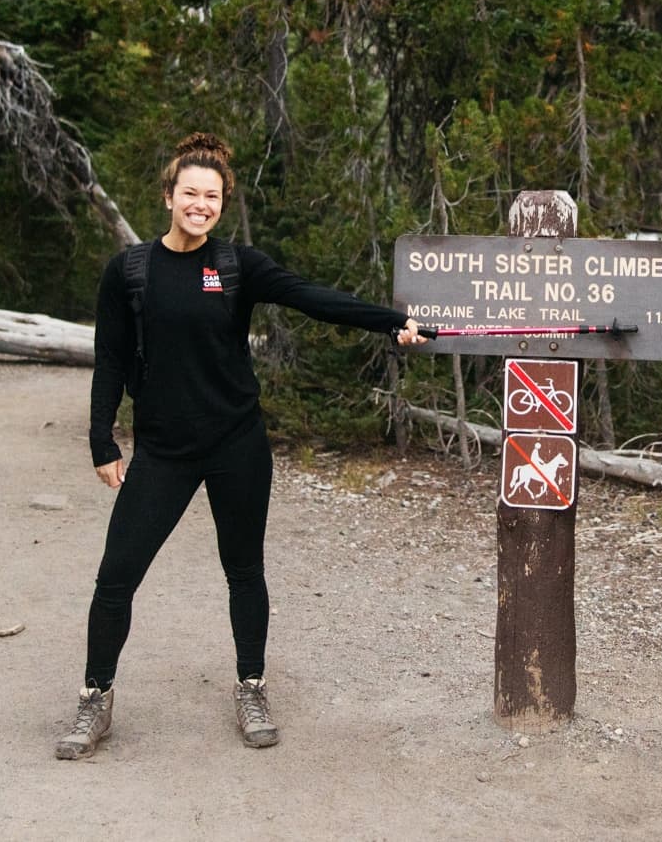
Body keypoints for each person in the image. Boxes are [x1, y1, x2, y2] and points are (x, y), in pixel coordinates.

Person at [55, 132, 428, 760]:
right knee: (116, 577)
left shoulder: (236, 266)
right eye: (190, 193)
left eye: (212, 196)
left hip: (236, 444)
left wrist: (393, 323)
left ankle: (252, 686)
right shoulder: (130, 271)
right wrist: (101, 439)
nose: (200, 204)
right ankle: (96, 697)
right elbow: (110, 360)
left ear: (222, 202)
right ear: (169, 196)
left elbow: (312, 298)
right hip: (164, 452)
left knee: (244, 570)